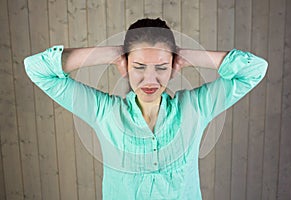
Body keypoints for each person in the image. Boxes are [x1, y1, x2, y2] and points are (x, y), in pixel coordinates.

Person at [24, 18, 268, 199]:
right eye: (139, 66)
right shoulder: (104, 112)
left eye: (161, 67)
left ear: (173, 67)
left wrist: (186, 56)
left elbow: (254, 70)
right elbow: (37, 69)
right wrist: (111, 54)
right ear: (125, 66)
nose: (150, 80)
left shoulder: (196, 108)